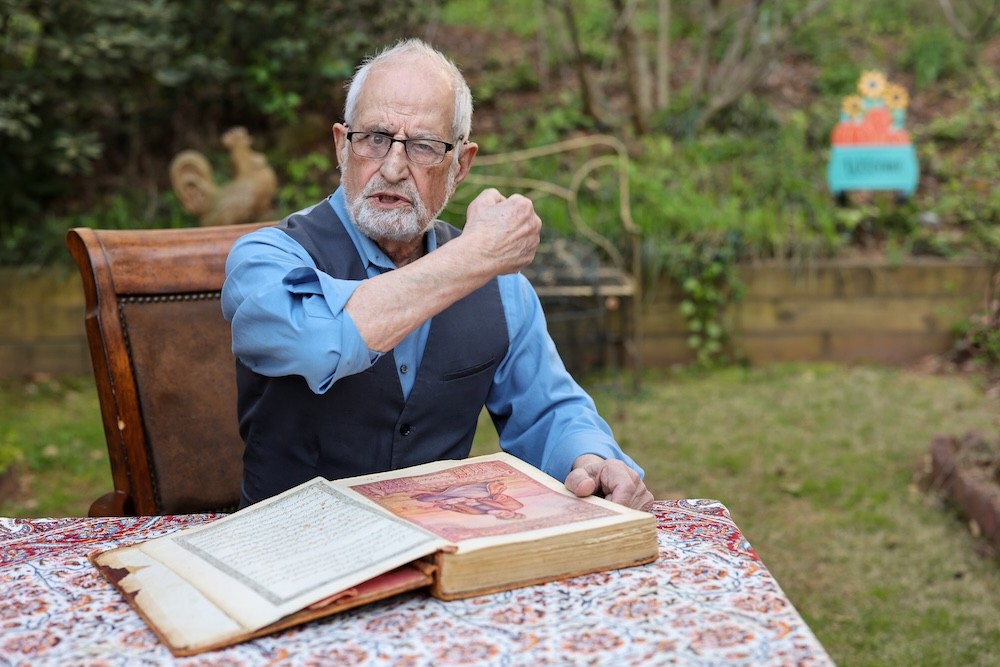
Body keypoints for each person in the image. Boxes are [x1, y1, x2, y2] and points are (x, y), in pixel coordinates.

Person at [221, 38, 653, 511]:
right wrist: (473, 258)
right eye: (375, 139)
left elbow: (550, 411)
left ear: (460, 165)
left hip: (439, 558)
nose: (392, 167)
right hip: (290, 557)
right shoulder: (266, 259)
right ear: (342, 146)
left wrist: (589, 459)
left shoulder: (501, 289)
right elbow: (318, 342)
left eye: (424, 147)